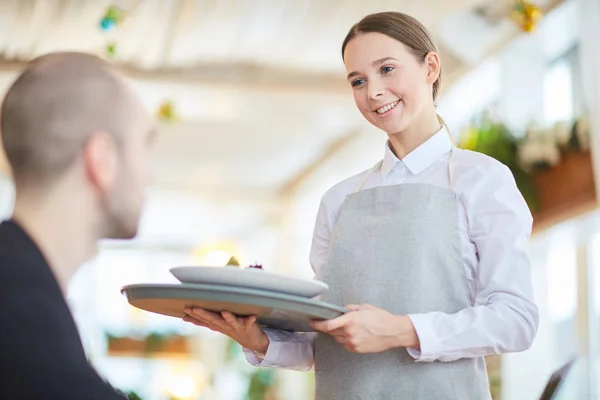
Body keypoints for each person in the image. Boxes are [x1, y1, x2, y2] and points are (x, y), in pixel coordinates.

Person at [183, 11, 539, 399]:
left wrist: (401, 330)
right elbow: (328, 339)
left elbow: (515, 320)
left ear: (430, 67)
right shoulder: (339, 201)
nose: (373, 92)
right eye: (358, 80)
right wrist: (256, 339)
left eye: (387, 69)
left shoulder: (482, 179)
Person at [0, 52, 155, 399]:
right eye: (144, 145)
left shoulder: (23, 285)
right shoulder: (18, 310)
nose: (149, 174)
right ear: (102, 159)